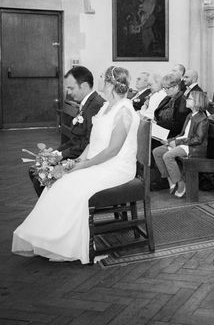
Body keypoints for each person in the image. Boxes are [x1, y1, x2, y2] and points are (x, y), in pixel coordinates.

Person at [13, 66, 140, 264]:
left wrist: (85, 165)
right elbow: (94, 143)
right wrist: (78, 160)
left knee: (71, 185)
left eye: (101, 78)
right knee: (61, 180)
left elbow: (113, 150)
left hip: (117, 166)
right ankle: (48, 239)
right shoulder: (106, 106)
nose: (98, 80)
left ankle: (66, 244)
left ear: (109, 83)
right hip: (99, 162)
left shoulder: (124, 110)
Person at [29, 66, 106, 197]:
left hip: (84, 159)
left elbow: (89, 144)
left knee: (39, 176)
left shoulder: (96, 105)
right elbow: (75, 140)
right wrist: (55, 152)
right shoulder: (86, 104)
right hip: (76, 153)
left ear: (85, 86)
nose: (69, 92)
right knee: (36, 171)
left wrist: (60, 156)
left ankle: (55, 206)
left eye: (71, 88)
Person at [151, 91, 209, 197]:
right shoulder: (190, 115)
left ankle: (180, 183)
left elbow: (198, 139)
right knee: (157, 151)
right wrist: (169, 140)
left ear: (197, 102)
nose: (186, 100)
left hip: (193, 148)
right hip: (184, 143)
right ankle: (170, 179)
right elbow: (182, 134)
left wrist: (176, 142)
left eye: (189, 99)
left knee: (168, 156)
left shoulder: (202, 119)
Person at [154, 72, 190, 139]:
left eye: (167, 88)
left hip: (172, 135)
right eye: (164, 88)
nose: (165, 91)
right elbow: (157, 112)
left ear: (176, 87)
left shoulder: (182, 101)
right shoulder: (168, 97)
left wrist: (157, 124)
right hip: (161, 130)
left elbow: (178, 125)